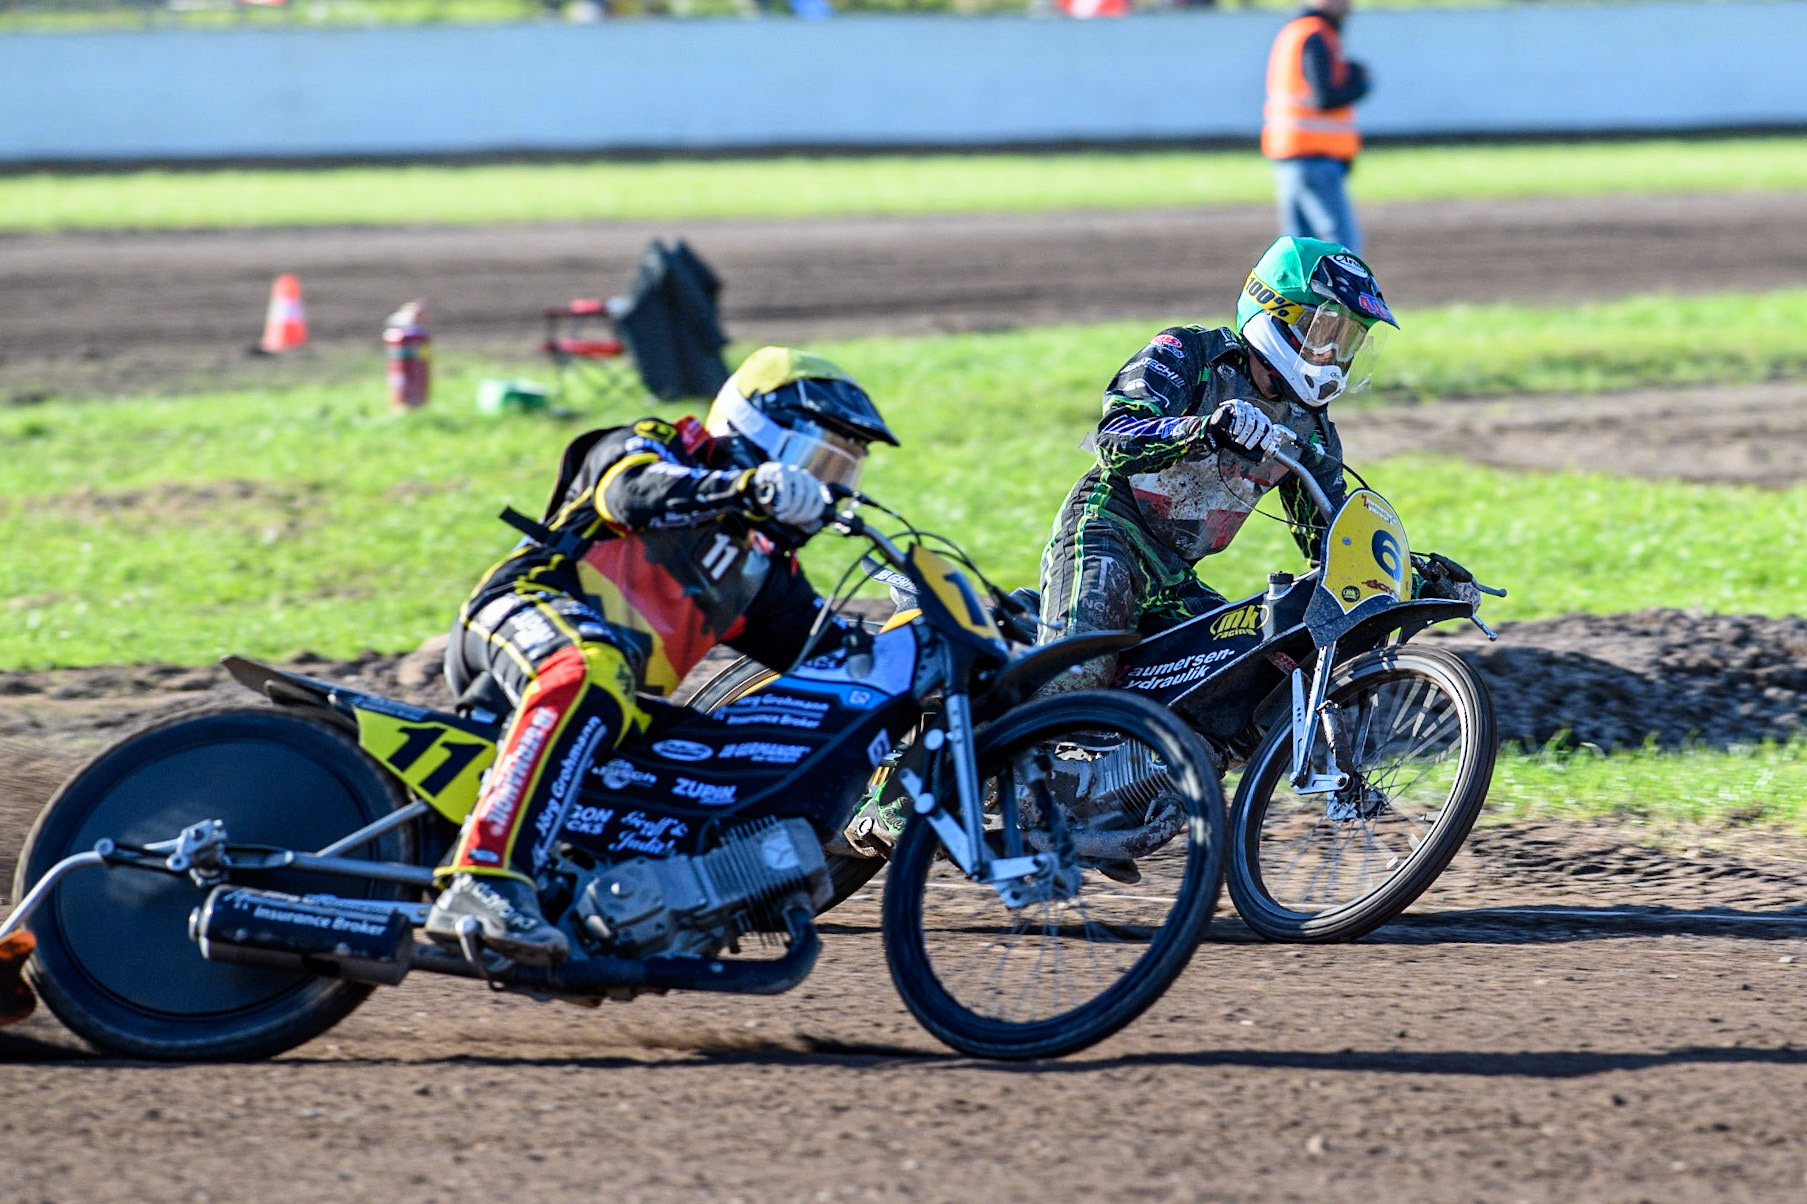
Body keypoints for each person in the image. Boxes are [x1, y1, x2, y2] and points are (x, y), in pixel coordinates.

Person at [425, 346, 897, 963]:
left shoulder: (762, 573)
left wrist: (951, 652)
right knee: (591, 665)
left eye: (841, 473)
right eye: (816, 460)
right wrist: (744, 487)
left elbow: (834, 659)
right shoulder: (660, 445)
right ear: (756, 429)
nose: (823, 488)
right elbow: (630, 494)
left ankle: (630, 913)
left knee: (712, 754)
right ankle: (482, 880)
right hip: (516, 612)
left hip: (608, 696)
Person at [1037, 235, 1397, 694]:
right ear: (1276, 312)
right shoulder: (1190, 352)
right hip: (1108, 532)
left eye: (1348, 340)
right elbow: (1114, 440)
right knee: (1076, 680)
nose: (1334, 355)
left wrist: (1417, 579)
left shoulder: (1312, 430)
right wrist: (1204, 428)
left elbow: (1332, 538)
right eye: (1325, 333)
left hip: (1175, 579)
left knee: (1258, 681)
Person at [1262, 0, 1371, 252]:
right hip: (1314, 155)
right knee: (1342, 244)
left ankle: (1294, 293)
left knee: (1297, 249)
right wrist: (1360, 85)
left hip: (1292, 153)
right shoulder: (1314, 33)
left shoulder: (1297, 31)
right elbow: (1324, 97)